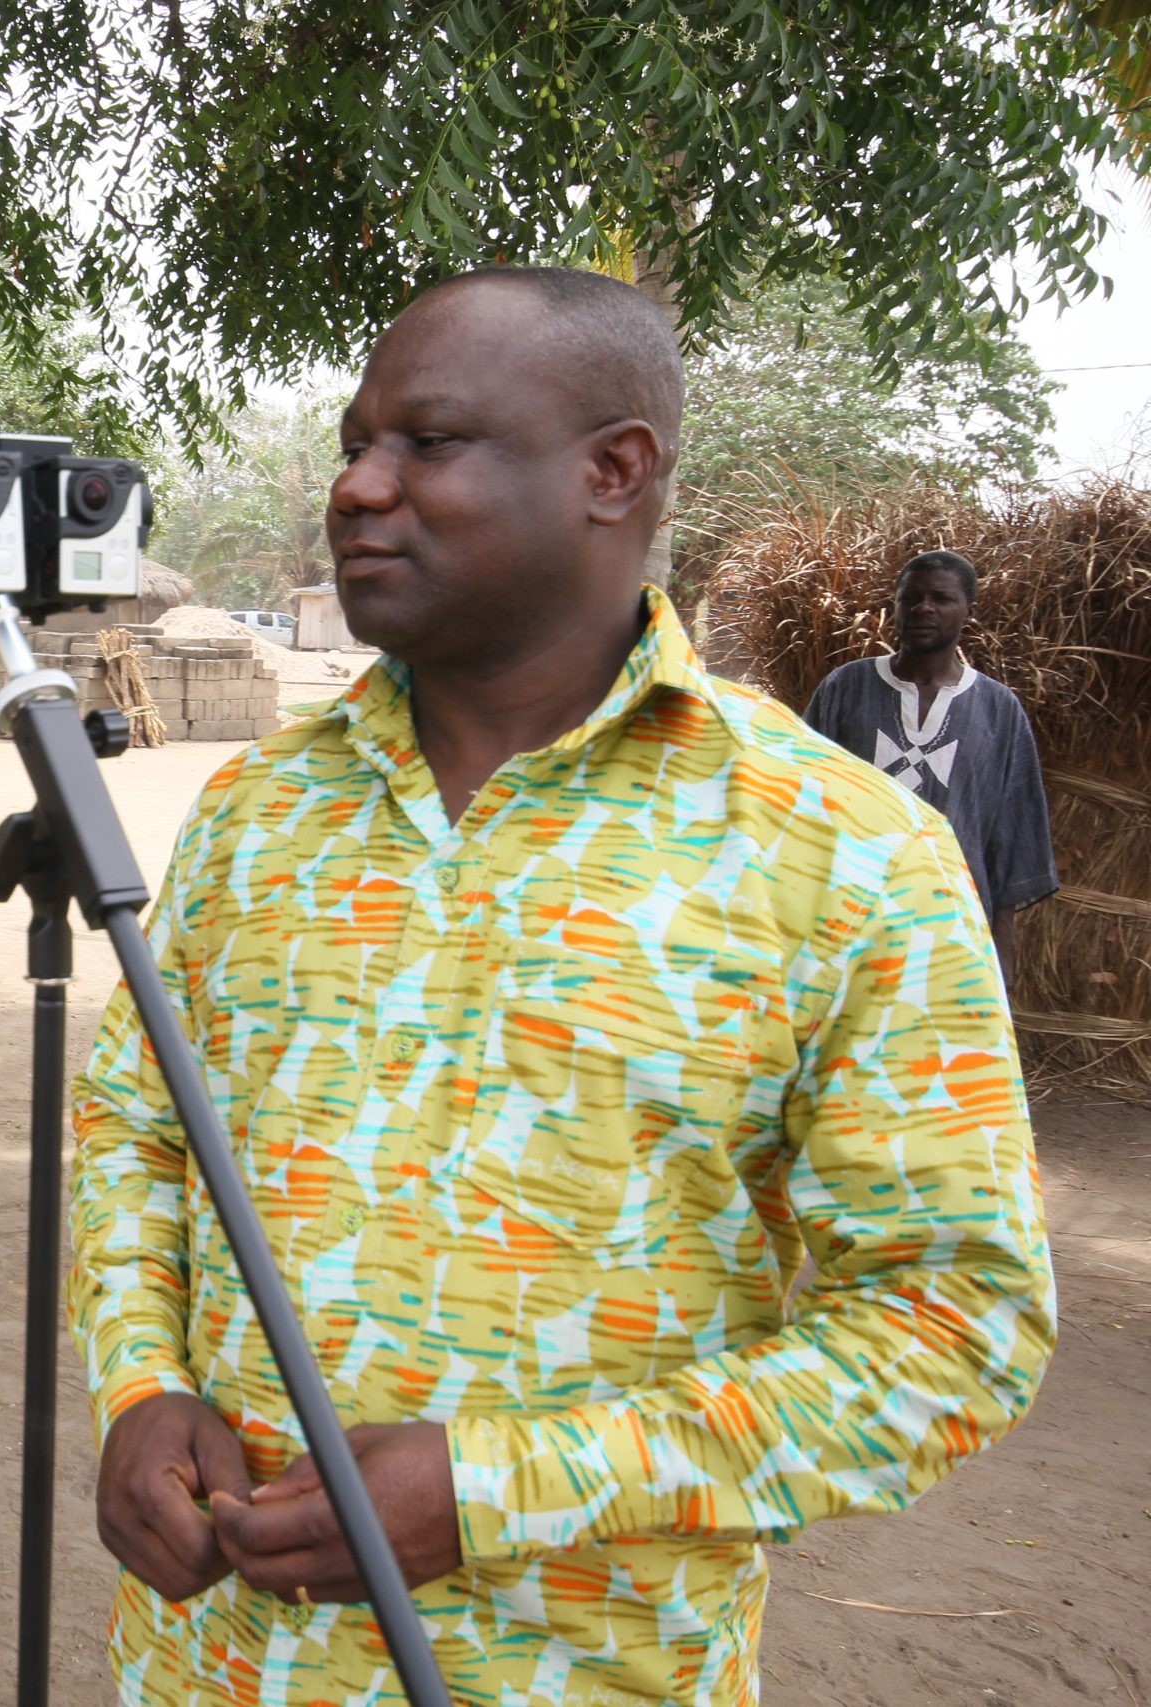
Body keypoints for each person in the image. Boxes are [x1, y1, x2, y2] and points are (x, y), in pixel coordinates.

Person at [68, 267, 1055, 1706]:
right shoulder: (258, 811)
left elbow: (955, 1325)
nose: (356, 485)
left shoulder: (836, 853)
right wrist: (141, 1384)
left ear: (615, 470)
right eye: (355, 442)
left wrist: (499, 1485)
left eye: (427, 442)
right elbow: (137, 1132)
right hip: (213, 1665)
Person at [803, 550, 1058, 979]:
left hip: (953, 929)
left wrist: (1003, 955)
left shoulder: (998, 710)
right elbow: (803, 798)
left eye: (941, 598)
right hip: (844, 921)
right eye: (912, 598)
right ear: (896, 607)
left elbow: (1011, 833)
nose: (924, 607)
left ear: (969, 611)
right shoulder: (846, 687)